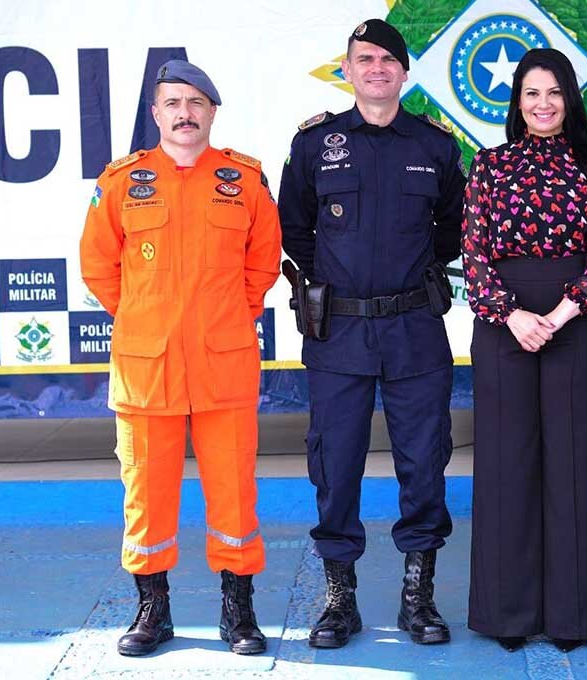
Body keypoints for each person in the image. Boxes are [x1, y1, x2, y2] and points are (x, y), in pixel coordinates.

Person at [80, 59, 281, 656]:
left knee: (234, 494)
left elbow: (262, 263)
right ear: (156, 113)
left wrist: (221, 316)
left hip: (224, 361)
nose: (185, 113)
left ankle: (238, 612)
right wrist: (148, 318)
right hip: (147, 368)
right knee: (145, 491)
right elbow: (99, 267)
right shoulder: (122, 181)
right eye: (173, 103)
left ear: (212, 112)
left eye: (196, 102)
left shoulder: (243, 180)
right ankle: (152, 610)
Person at [278, 19, 466, 649]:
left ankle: (419, 597)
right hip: (338, 334)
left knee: (424, 464)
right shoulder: (314, 145)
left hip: (415, 329)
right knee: (335, 466)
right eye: (365, 59)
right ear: (348, 70)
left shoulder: (436, 147)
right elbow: (295, 231)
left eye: (388, 59)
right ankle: (340, 599)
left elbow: (451, 231)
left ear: (404, 73)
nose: (377, 68)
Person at [462, 48, 587, 654]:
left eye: (554, 92)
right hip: (504, 324)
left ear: (570, 98)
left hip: (576, 323)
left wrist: (558, 314)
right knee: (508, 467)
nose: (543, 104)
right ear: (516, 102)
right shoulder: (487, 166)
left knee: (576, 465)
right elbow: (474, 253)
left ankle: (575, 615)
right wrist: (512, 315)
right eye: (532, 93)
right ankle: (508, 614)